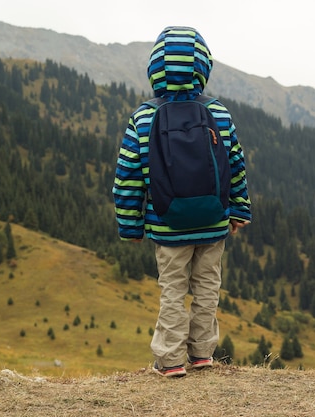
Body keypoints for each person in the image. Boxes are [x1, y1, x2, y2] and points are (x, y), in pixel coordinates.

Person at [112, 26, 251, 378]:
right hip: (213, 221)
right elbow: (235, 164)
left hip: (167, 224)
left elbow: (128, 174)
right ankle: (202, 354)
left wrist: (131, 224)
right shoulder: (218, 113)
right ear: (203, 66)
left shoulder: (143, 117)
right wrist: (238, 209)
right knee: (207, 286)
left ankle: (170, 360)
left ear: (155, 67)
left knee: (172, 290)